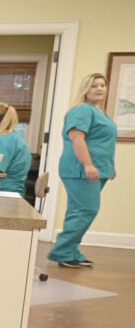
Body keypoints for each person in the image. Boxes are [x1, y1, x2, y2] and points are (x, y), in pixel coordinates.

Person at [47, 73, 117, 268]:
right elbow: (77, 138)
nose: (99, 89)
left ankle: (71, 251)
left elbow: (101, 142)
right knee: (86, 210)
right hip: (79, 169)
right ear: (85, 89)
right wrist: (88, 164)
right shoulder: (82, 110)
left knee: (78, 211)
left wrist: (109, 166)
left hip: (97, 170)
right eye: (94, 85)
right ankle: (62, 250)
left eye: (102, 85)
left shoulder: (99, 112)